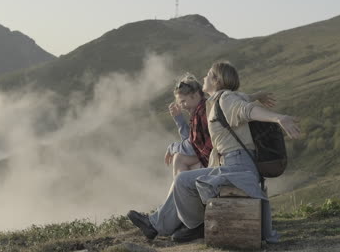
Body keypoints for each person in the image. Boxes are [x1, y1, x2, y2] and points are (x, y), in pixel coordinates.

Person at [128, 61, 300, 243]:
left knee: (182, 180)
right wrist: (257, 95)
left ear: (217, 80)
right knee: (184, 179)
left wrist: (279, 118)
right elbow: (243, 99)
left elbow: (246, 110)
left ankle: (193, 227)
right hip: (232, 165)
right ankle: (158, 225)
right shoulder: (220, 99)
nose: (204, 77)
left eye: (209, 74)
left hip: (237, 168)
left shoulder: (226, 99)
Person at [165, 73, 275, 177]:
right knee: (179, 157)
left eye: (183, 101)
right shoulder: (200, 111)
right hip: (218, 158)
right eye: (180, 103)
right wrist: (179, 119)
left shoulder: (202, 113)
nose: (182, 106)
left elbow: (191, 148)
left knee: (178, 159)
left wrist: (172, 148)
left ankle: (181, 194)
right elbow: (192, 143)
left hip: (222, 160)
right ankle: (181, 193)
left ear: (195, 95)